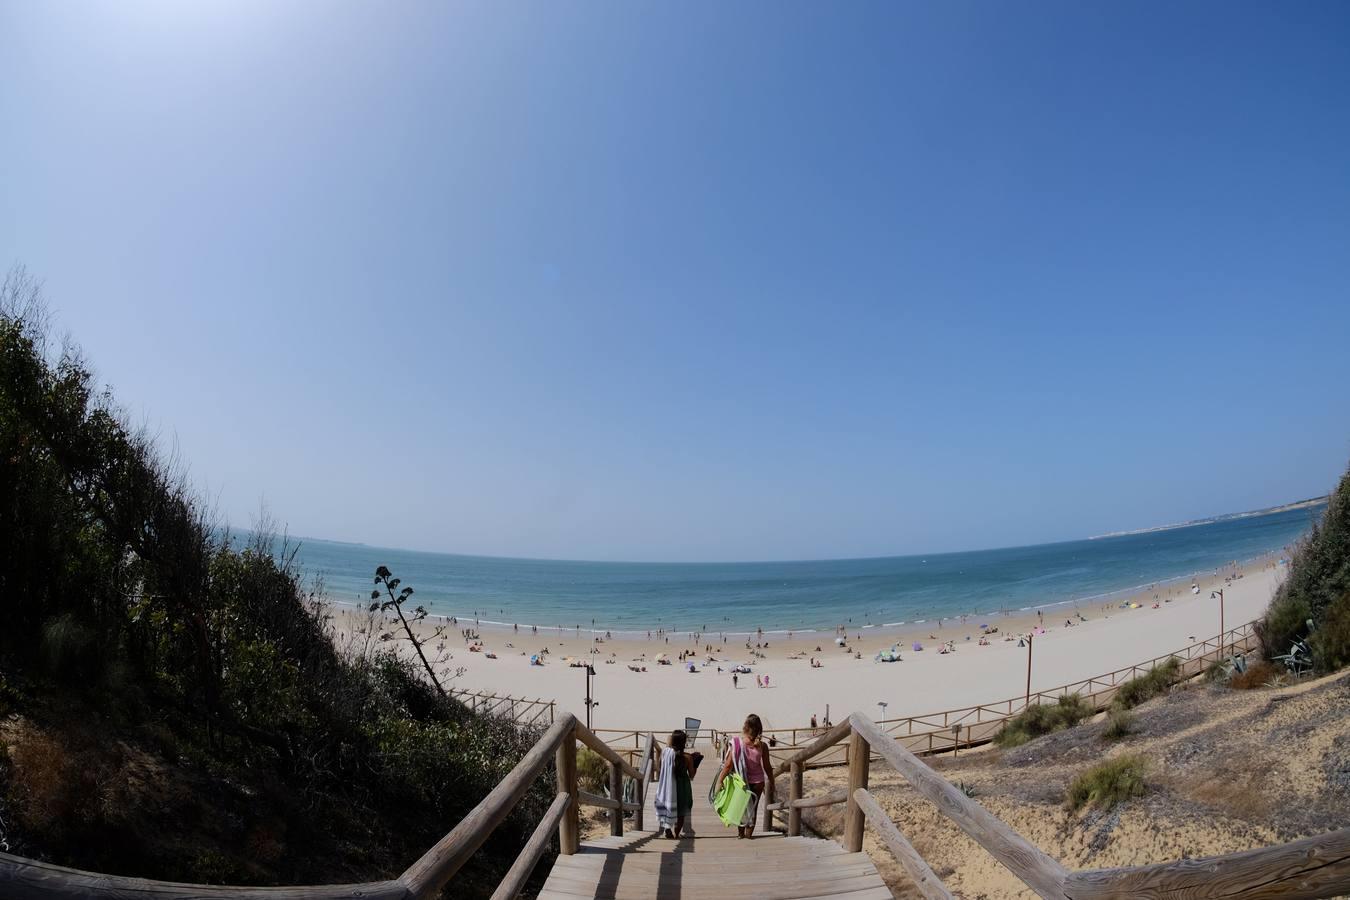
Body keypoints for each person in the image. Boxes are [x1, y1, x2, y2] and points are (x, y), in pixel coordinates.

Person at [716, 713, 774, 839]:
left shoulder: (738, 743)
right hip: (758, 782)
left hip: (742, 782)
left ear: (745, 727)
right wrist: (772, 782)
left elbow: (728, 765)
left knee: (741, 806)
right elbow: (768, 767)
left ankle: (741, 834)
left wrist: (720, 780)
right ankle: (749, 835)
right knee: (753, 808)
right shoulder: (763, 746)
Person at [654, 729, 701, 838]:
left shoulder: (665, 753)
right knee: (681, 812)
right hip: (683, 786)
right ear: (684, 743)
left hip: (668, 786)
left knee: (669, 806)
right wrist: (696, 763)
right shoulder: (688, 758)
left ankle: (667, 829)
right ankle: (677, 833)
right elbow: (692, 775)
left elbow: (660, 767)